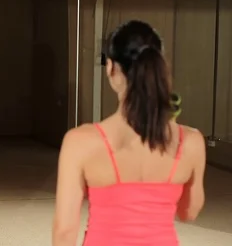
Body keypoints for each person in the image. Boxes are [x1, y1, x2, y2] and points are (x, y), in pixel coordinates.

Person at [52, 20, 206, 246]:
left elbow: (65, 231)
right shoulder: (191, 142)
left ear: (111, 68)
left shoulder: (80, 142)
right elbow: (188, 212)